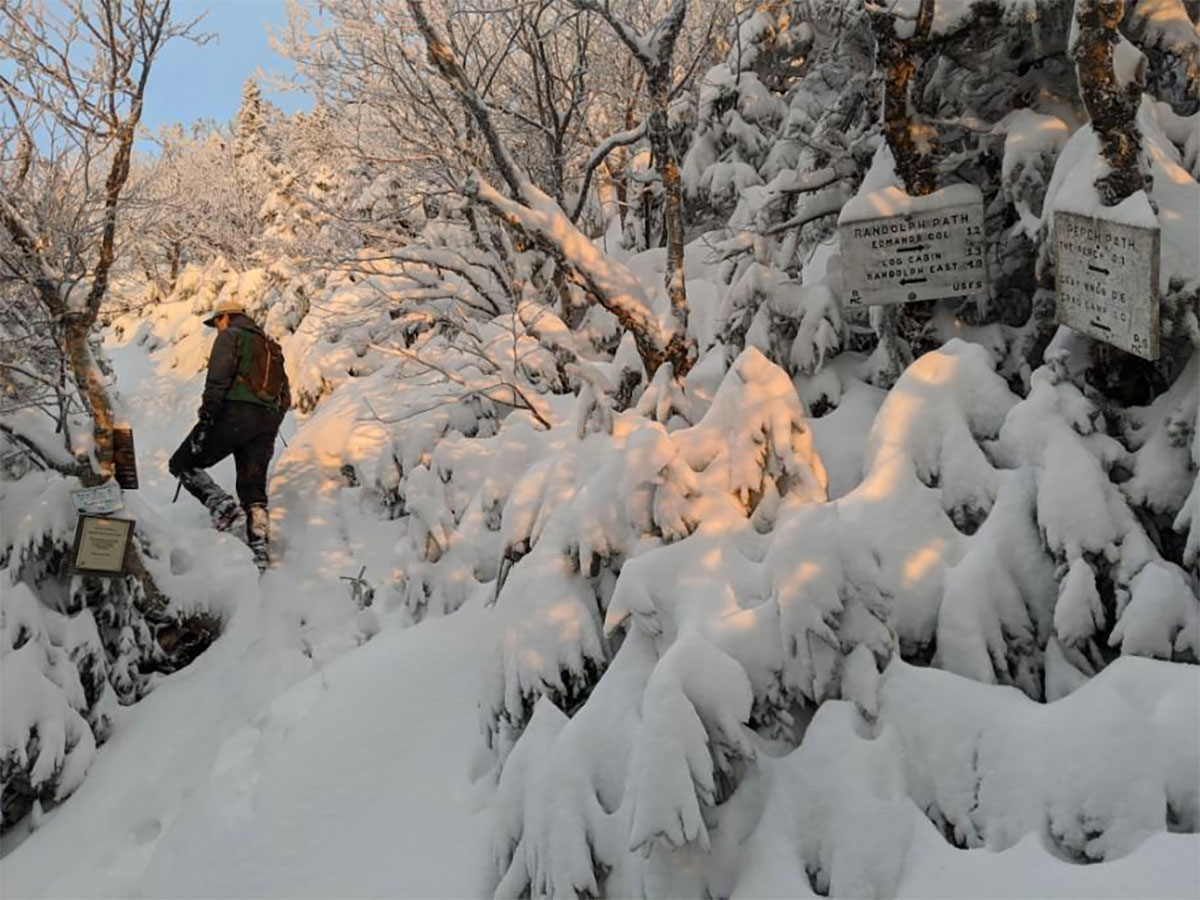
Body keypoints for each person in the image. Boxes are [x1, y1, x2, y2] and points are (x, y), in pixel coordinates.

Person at [169, 299, 290, 570]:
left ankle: (223, 507)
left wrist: (207, 417)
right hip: (266, 423)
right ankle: (258, 548)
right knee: (253, 489)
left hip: (234, 415)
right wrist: (270, 422)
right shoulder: (270, 347)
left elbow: (218, 379)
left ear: (226, 317)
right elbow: (285, 396)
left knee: (181, 463)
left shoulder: (230, 336)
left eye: (216, 322)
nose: (216, 328)